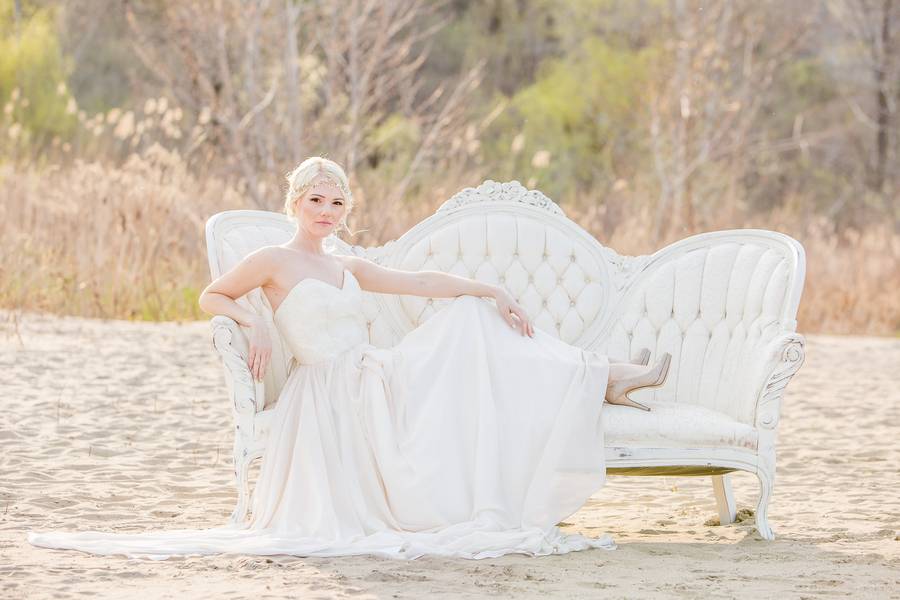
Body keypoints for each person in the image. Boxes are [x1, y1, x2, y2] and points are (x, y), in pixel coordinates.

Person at [27, 156, 671, 560]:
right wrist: (252, 317)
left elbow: (421, 283)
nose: (328, 212)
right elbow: (209, 293)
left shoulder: (348, 263)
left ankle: (601, 375)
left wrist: (492, 288)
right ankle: (604, 378)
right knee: (471, 354)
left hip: (376, 377)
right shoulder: (275, 260)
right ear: (296, 204)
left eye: (337, 203)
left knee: (474, 322)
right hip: (327, 394)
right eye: (317, 201)